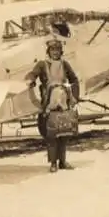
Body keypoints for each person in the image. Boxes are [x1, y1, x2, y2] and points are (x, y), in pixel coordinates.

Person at [25, 38, 80, 173]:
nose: (55, 52)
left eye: (57, 50)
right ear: (48, 51)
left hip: (64, 101)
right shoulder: (42, 64)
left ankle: (62, 161)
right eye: (52, 50)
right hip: (49, 102)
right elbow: (33, 74)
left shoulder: (65, 64)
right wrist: (30, 79)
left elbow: (74, 80)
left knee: (64, 131)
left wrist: (75, 97)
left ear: (61, 51)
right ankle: (53, 163)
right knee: (51, 134)